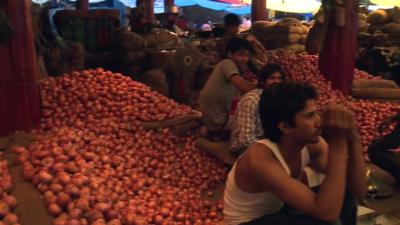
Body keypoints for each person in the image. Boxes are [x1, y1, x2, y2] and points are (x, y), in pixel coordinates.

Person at [224, 82, 367, 225]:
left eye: (317, 113)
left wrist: (353, 136)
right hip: (248, 222)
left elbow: (358, 191)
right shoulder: (259, 161)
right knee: (324, 220)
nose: (319, 121)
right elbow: (327, 213)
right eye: (310, 116)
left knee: (346, 200)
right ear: (286, 126)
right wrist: (338, 143)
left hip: (277, 213)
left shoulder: (312, 145)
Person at [198, 36, 257, 140]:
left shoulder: (232, 68)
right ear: (230, 54)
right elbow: (244, 87)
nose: (245, 59)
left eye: (247, 55)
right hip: (216, 120)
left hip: (213, 116)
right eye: (241, 54)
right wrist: (264, 87)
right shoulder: (227, 63)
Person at [230, 63, 285, 155]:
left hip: (267, 143)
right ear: (263, 81)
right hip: (246, 147)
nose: (277, 82)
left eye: (280, 78)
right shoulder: (251, 100)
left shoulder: (280, 98)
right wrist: (272, 151)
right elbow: (246, 140)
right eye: (272, 78)